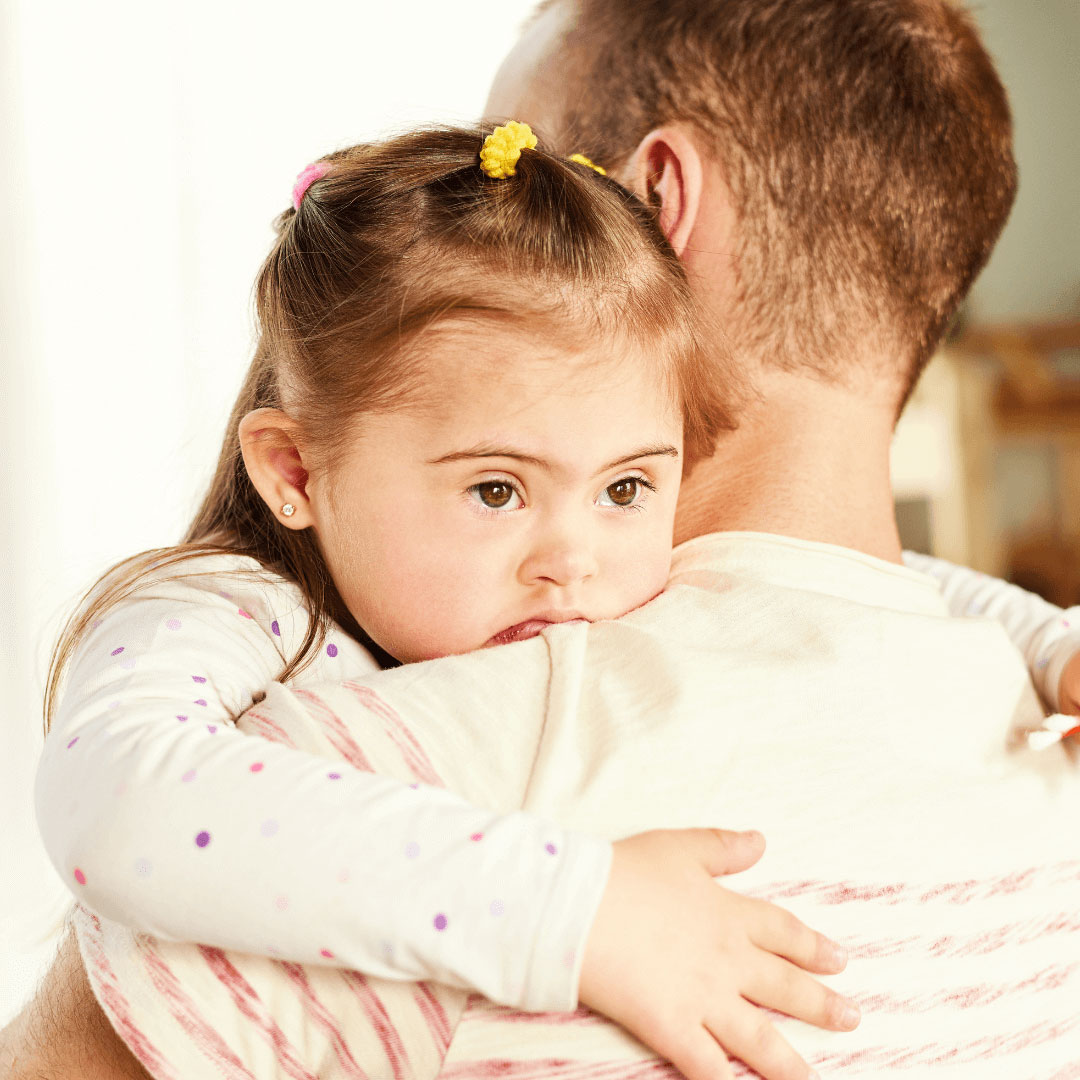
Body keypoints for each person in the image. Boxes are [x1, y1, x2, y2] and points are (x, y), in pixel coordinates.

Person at [7, 0, 1080, 1077]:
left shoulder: (424, 748)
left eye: (538, 186)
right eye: (494, 489)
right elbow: (117, 797)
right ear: (293, 471)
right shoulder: (1034, 776)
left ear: (656, 207)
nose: (567, 561)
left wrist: (1048, 638)